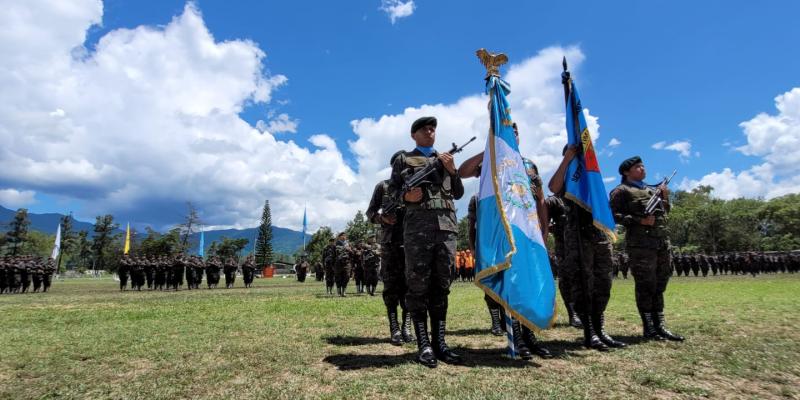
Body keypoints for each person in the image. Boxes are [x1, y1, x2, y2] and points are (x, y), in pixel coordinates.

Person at [458, 122, 552, 359]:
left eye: (516, 131)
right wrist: (488, 147)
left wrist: (544, 229)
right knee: (510, 283)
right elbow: (462, 171)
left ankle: (530, 337)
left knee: (528, 283)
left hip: (527, 233)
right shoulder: (492, 161)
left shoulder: (529, 164)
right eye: (509, 131)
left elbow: (540, 199)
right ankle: (517, 338)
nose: (514, 134)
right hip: (503, 233)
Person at [392, 116, 463, 367]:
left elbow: (458, 193)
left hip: (446, 230)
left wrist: (453, 171)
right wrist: (407, 197)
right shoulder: (403, 159)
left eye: (433, 128)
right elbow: (392, 193)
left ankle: (440, 343)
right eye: (424, 128)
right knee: (418, 286)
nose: (430, 130)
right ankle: (423, 344)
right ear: (414, 135)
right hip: (418, 230)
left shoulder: (445, 160)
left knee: (442, 285)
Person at [549, 145, 625, 351]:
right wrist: (567, 159)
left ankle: (600, 329)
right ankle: (589, 331)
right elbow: (553, 187)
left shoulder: (592, 173)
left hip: (599, 232)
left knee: (603, 282)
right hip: (577, 234)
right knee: (583, 282)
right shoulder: (570, 176)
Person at [609, 156, 684, 342]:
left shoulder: (652, 190)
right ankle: (649, 327)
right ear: (626, 172)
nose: (642, 168)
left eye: (643, 165)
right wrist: (638, 220)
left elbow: (664, 212)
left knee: (660, 285)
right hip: (641, 246)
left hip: (661, 244)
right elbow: (613, 215)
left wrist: (665, 197)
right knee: (646, 286)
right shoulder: (621, 191)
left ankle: (660, 326)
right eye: (637, 166)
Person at [366, 164, 413, 345]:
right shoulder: (383, 187)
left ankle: (406, 327)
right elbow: (370, 212)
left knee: (409, 287)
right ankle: (394, 328)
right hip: (390, 244)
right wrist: (382, 218)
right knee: (391, 288)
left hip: (411, 245)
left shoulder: (415, 186)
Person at [333, 232, 352, 297]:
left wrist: (350, 250)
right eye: (342, 236)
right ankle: (339, 291)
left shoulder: (348, 244)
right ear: (339, 237)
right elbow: (333, 255)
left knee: (347, 276)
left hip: (347, 263)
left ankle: (344, 291)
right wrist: (333, 264)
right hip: (338, 263)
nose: (344, 237)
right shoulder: (335, 244)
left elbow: (352, 253)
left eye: (345, 235)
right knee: (338, 277)